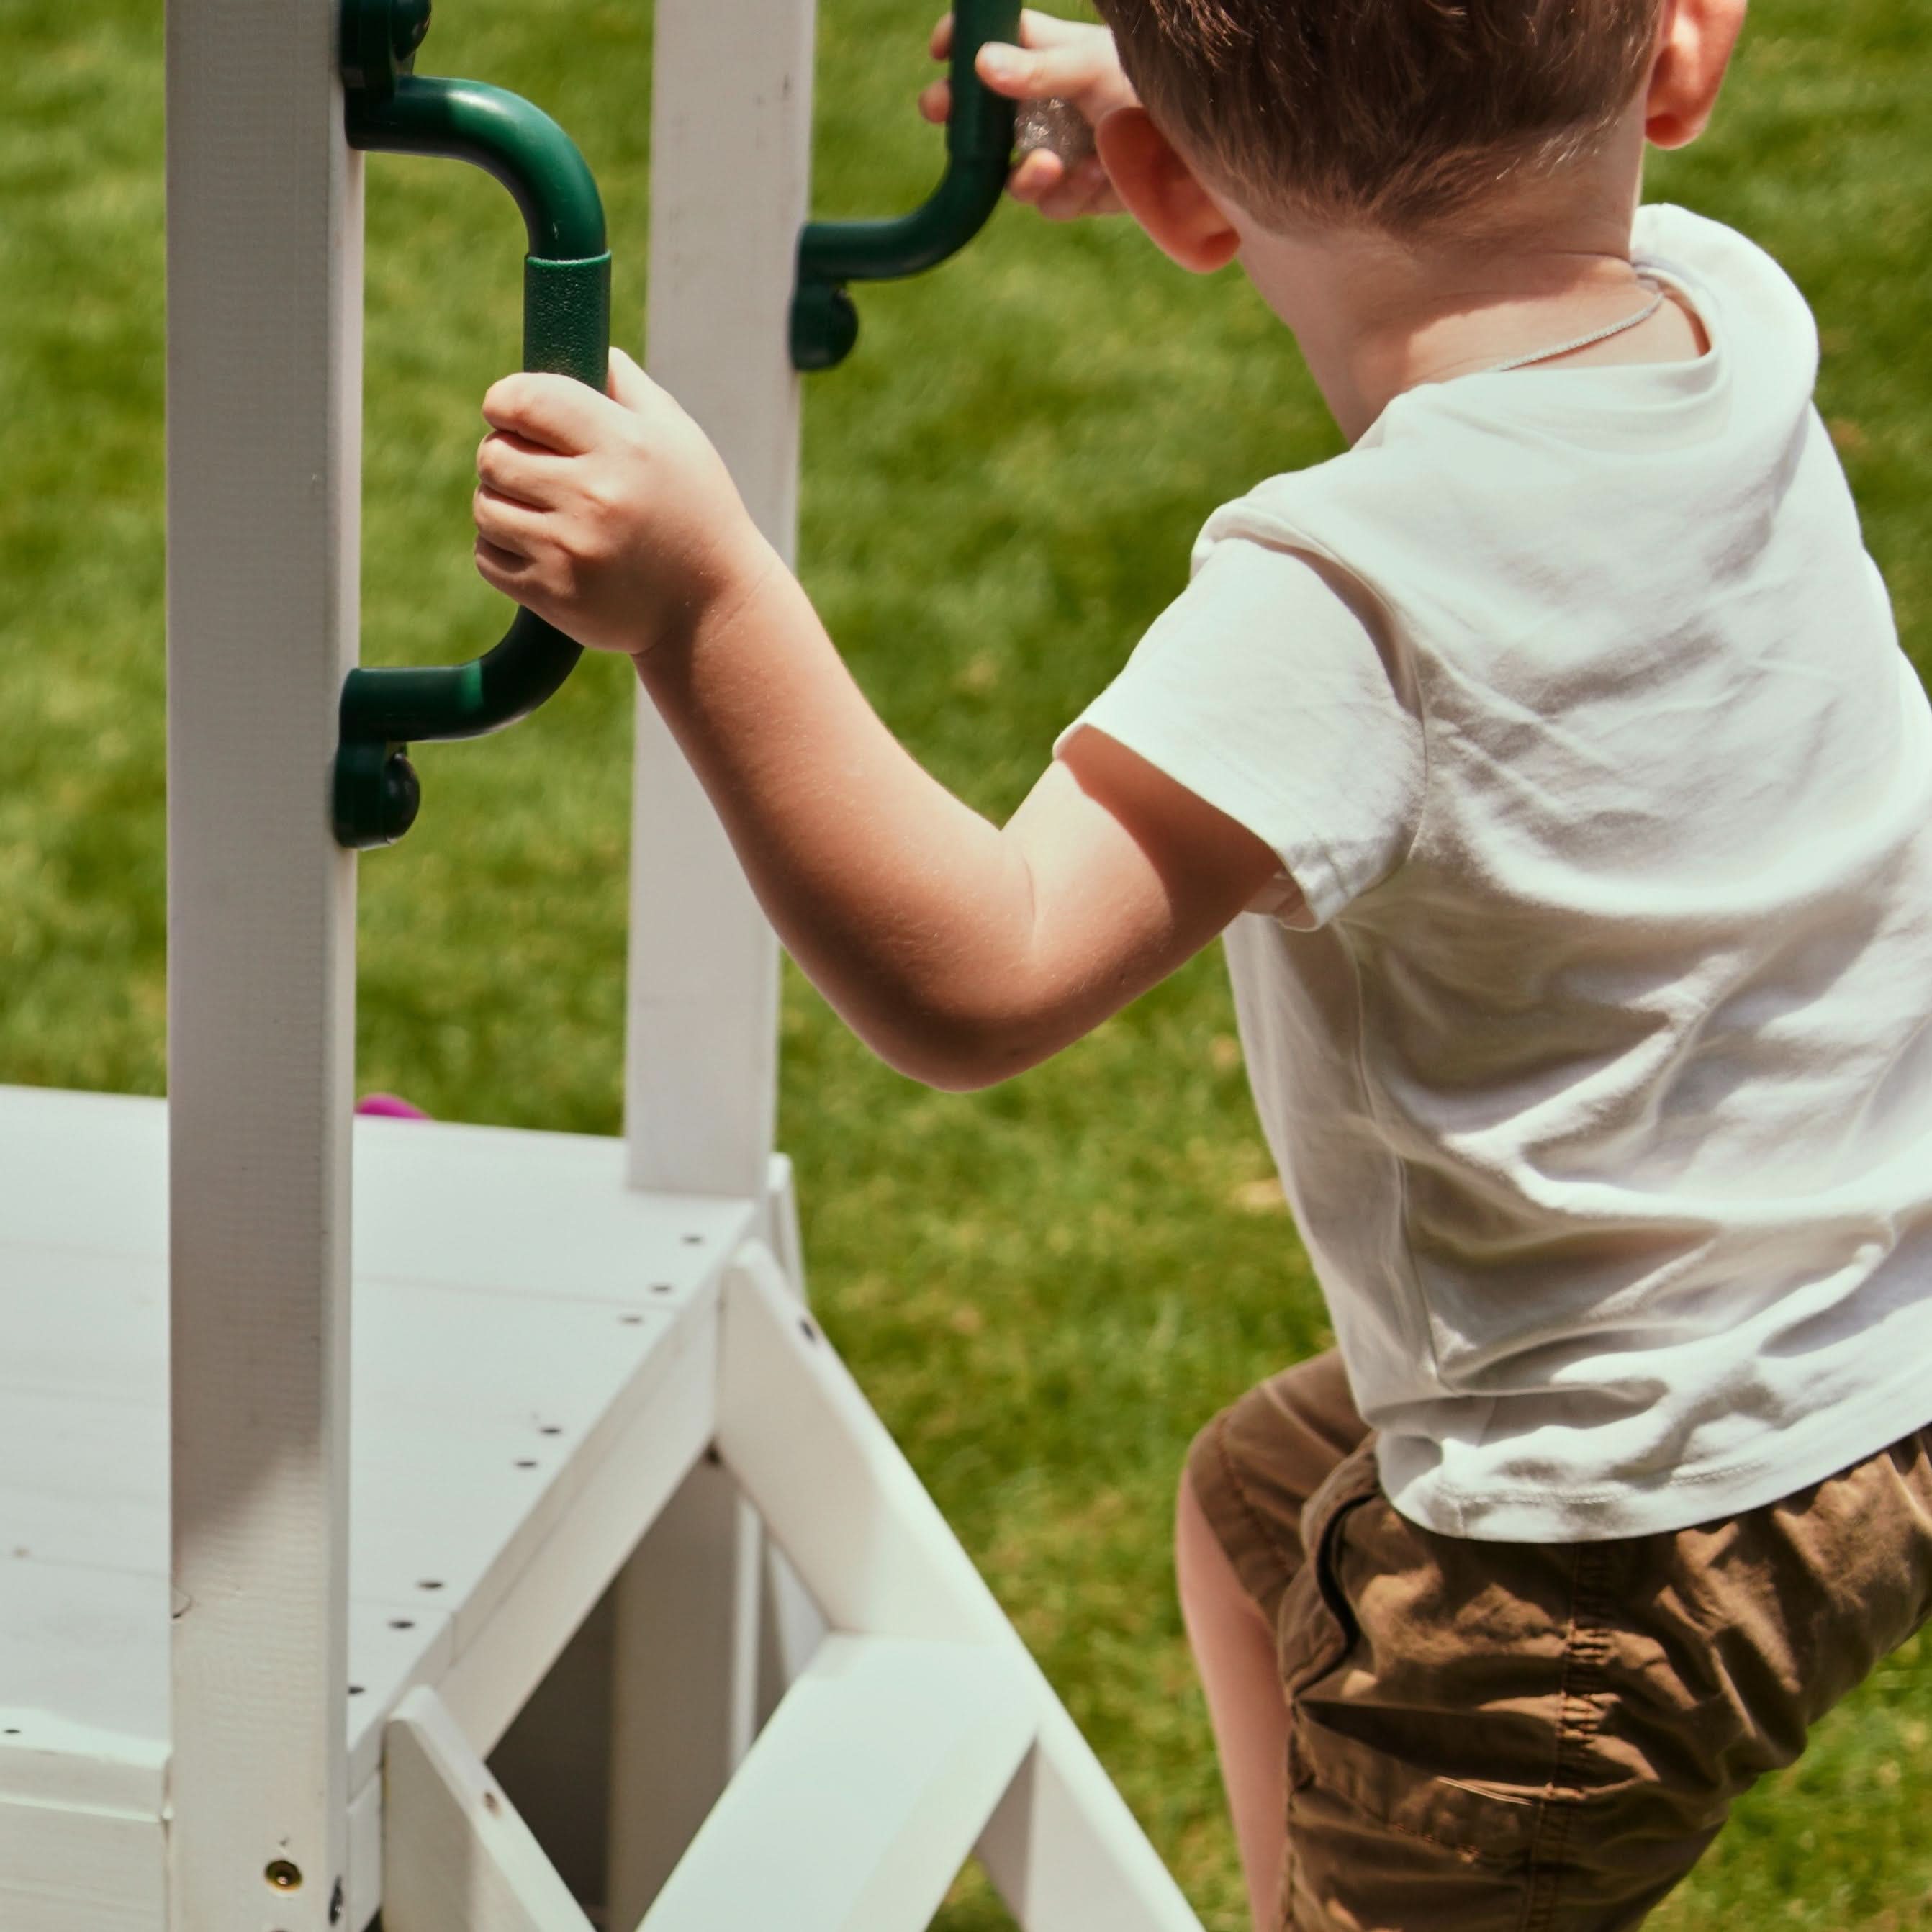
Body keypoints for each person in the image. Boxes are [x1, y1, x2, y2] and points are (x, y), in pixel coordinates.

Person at [467, 1, 1932, 1923]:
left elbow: (978, 973)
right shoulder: (1723, 311)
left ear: (1168, 187)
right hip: (1857, 1347)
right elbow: (1441, 115)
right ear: (1684, 55)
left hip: (1587, 1539)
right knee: (1261, 1512)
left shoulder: (1352, 597)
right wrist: (1203, 98)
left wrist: (708, 601)